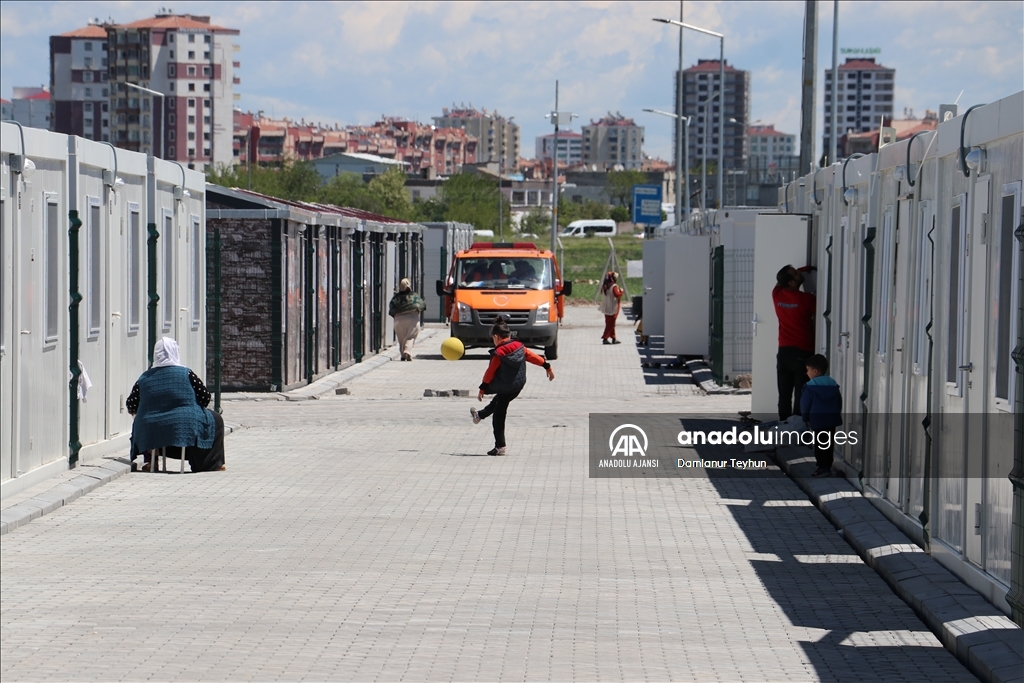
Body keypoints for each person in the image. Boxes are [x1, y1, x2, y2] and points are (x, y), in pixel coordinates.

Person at [127, 337, 225, 472]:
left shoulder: (144, 378)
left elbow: (131, 405)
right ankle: (209, 463)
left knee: (144, 422)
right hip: (183, 430)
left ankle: (151, 460)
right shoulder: (186, 373)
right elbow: (205, 397)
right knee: (216, 419)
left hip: (152, 434)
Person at [470, 316, 555, 455]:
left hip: (505, 387)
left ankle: (500, 447)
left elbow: (490, 372)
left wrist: (482, 388)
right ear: (509, 335)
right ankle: (479, 415)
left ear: (496, 337)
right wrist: (547, 366)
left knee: (498, 415)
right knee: (498, 401)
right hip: (517, 386)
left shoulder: (499, 353)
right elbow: (534, 357)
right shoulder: (520, 347)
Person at [773, 264, 816, 420]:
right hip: (803, 352)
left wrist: (798, 272)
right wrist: (806, 270)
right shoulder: (807, 299)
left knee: (784, 394)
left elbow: (779, 282)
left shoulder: (776, 295)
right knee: (800, 394)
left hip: (784, 352)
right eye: (796, 274)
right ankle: (797, 428)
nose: (799, 274)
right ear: (791, 282)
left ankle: (784, 426)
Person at [800, 353, 843, 477]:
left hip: (817, 420)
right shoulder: (833, 384)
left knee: (819, 445)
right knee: (829, 443)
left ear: (815, 371)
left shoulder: (809, 387)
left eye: (807, 369)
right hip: (831, 419)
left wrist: (805, 418)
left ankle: (822, 468)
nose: (806, 372)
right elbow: (839, 402)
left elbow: (805, 404)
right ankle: (827, 466)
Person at [389, 278, 427, 361]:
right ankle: (407, 351)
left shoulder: (396, 297)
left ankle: (403, 355)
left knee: (401, 339)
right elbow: (421, 305)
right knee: (411, 336)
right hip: (412, 318)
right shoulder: (414, 295)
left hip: (398, 320)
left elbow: (391, 308)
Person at [598, 271, 624, 344]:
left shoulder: (604, 285)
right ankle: (605, 338)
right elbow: (617, 294)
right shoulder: (614, 286)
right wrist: (621, 291)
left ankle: (613, 338)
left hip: (606, 307)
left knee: (609, 323)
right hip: (613, 307)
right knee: (611, 323)